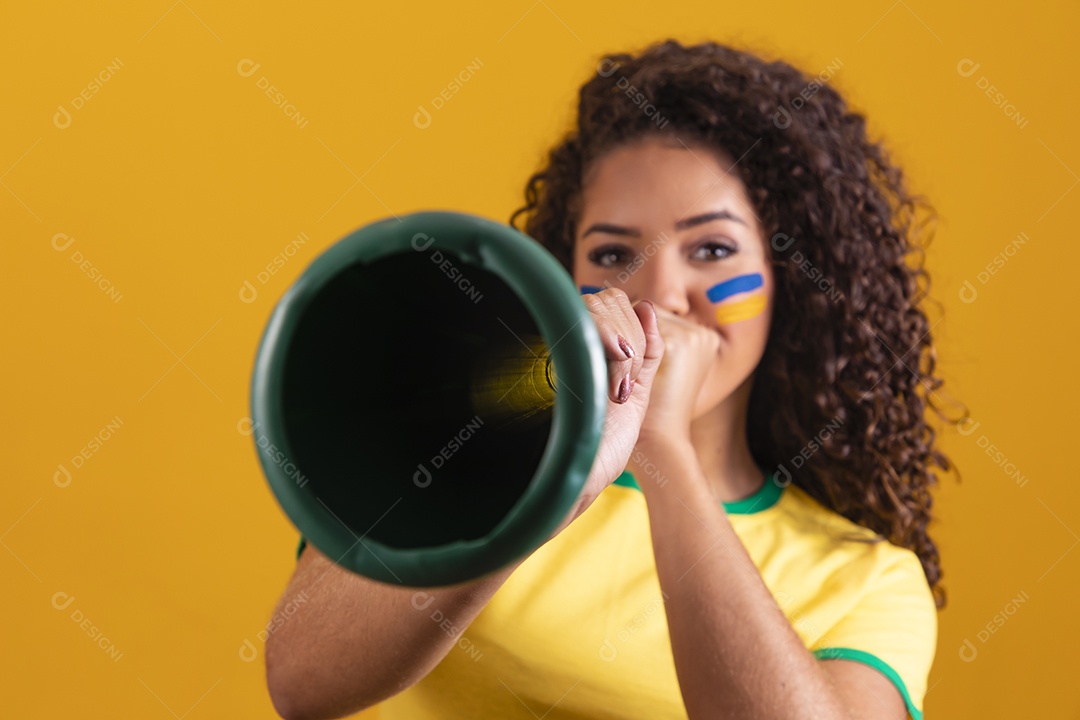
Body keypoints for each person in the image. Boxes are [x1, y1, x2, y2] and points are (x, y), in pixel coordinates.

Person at [264, 38, 960, 720]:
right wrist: (550, 487)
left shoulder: (864, 580)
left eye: (713, 249)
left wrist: (662, 451)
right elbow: (301, 680)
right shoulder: (455, 460)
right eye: (614, 252)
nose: (660, 294)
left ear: (792, 283)